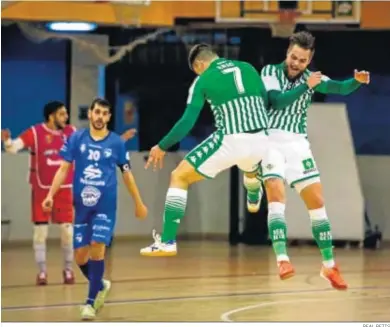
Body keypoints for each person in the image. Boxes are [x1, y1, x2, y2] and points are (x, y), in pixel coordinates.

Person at [241, 31, 370, 290]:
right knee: (277, 195)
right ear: (287, 52)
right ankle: (282, 259)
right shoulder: (269, 72)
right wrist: (306, 86)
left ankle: (329, 266)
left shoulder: (312, 78)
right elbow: (276, 102)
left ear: (309, 60)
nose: (295, 63)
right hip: (271, 139)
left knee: (317, 202)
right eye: (293, 57)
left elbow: (339, 87)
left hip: (297, 143)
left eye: (302, 60)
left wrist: (355, 81)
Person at [139, 44, 284, 257]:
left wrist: (161, 146)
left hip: (232, 139)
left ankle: (167, 242)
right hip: (262, 139)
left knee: (179, 177)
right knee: (249, 162)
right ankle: (253, 186)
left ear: (199, 65)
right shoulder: (248, 68)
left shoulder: (203, 80)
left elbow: (188, 121)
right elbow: (265, 101)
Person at [2, 102, 138, 286]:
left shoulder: (72, 132)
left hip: (65, 189)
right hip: (41, 189)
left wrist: (119, 140)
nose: (66, 117)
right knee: (40, 233)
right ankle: (42, 272)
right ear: (51, 116)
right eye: (62, 114)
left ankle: (68, 270)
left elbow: (97, 145)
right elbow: (12, 148)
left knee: (68, 232)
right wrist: (7, 141)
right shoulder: (35, 132)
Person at [42, 98, 147, 320]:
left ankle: (89, 304)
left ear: (108, 117)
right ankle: (100, 284)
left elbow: (127, 174)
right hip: (81, 207)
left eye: (104, 114)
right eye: (96, 112)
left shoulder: (117, 143)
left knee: (97, 247)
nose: (100, 117)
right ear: (90, 114)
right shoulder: (76, 138)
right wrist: (50, 195)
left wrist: (139, 202)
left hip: (105, 206)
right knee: (80, 256)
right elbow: (63, 169)